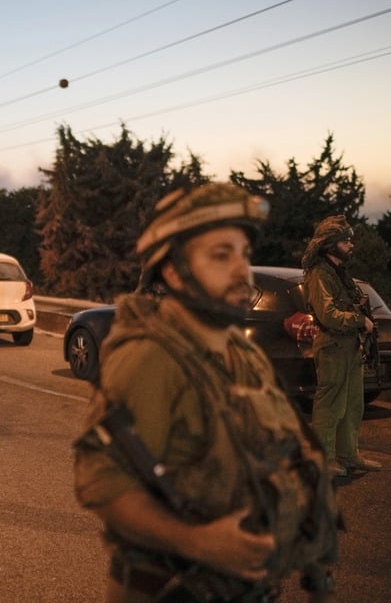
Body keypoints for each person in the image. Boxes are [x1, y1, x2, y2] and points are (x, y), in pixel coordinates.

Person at [73, 184, 339, 601]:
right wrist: (195, 542)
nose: (241, 270)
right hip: (171, 590)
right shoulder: (151, 358)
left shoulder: (240, 350)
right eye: (220, 255)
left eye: (243, 254)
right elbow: (101, 485)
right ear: (176, 270)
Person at [302, 215, 381, 477]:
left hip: (349, 346)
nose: (351, 245)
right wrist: (360, 320)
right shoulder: (319, 274)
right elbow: (328, 315)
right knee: (330, 405)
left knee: (352, 404)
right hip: (333, 347)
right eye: (345, 241)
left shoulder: (339, 273)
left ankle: (348, 456)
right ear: (330, 244)